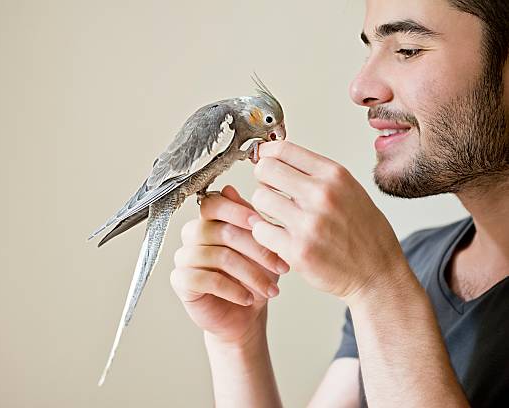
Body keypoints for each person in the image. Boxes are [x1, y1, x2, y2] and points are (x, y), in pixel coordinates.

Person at [169, 0, 509, 406]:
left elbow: (382, 285)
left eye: (407, 50)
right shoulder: (414, 261)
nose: (360, 87)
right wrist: (237, 341)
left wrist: (380, 288)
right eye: (369, 50)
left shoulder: (389, 279)